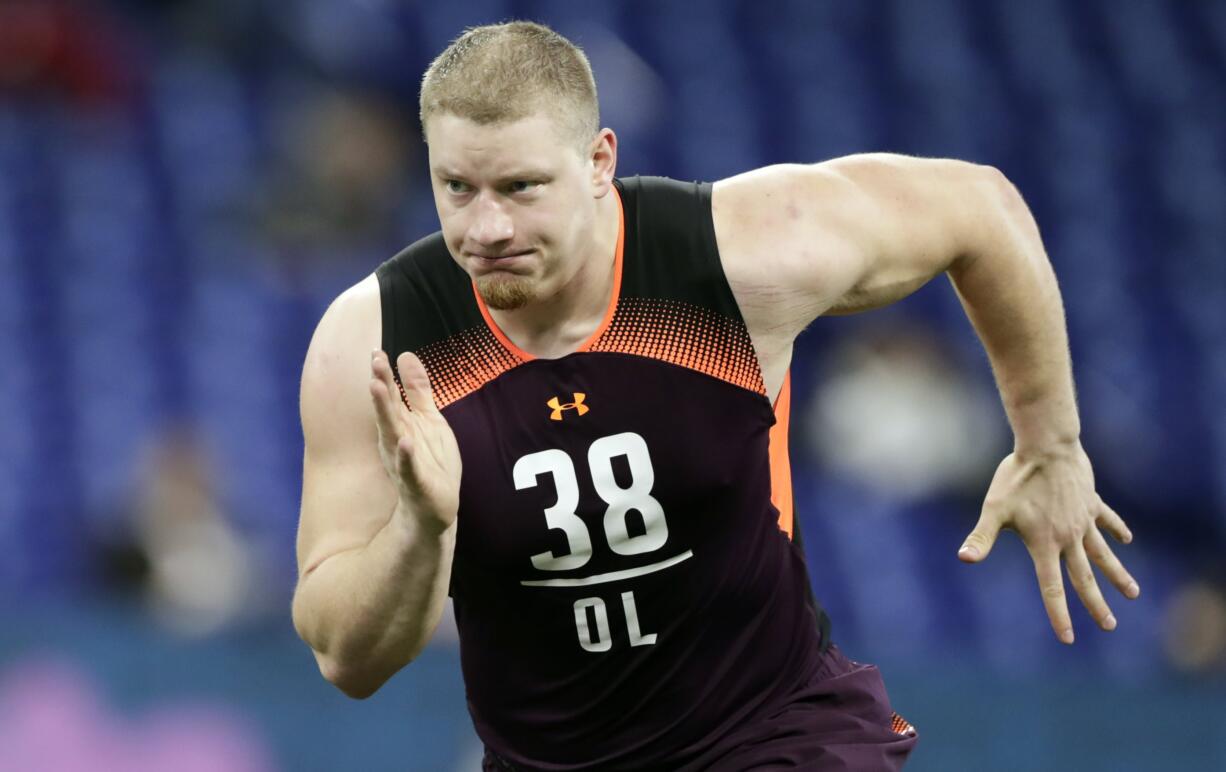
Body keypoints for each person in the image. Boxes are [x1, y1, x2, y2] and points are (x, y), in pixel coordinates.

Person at [290, 21, 1140, 771]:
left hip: (771, 733)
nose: (486, 230)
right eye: (457, 189)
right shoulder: (375, 346)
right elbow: (347, 661)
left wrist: (1049, 444)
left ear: (598, 162)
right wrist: (419, 529)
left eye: (520, 188)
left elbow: (980, 208)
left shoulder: (737, 258)